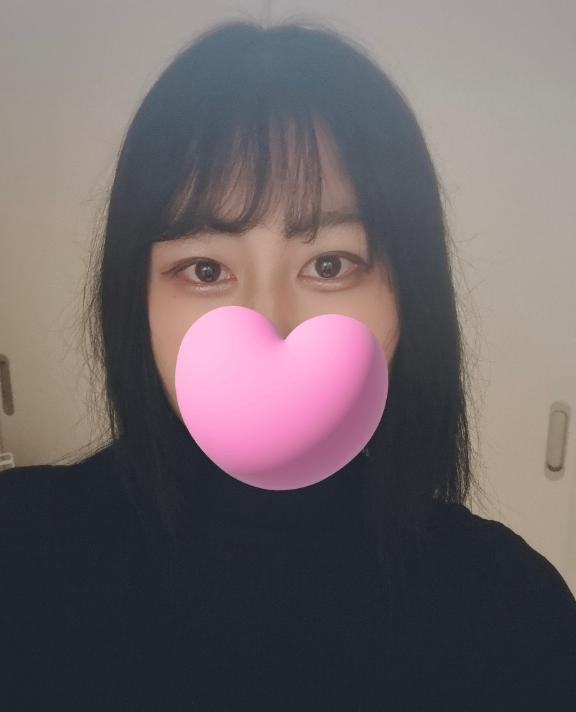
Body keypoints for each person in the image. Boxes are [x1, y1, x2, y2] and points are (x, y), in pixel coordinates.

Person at [1, 18, 575, 712]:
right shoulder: (20, 555)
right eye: (205, 269)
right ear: (136, 300)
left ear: (409, 296)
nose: (268, 322)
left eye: (330, 264)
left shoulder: (511, 613)